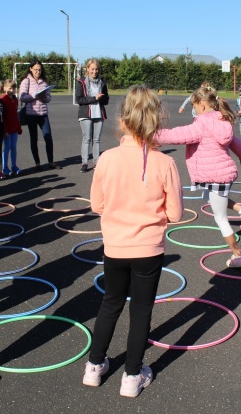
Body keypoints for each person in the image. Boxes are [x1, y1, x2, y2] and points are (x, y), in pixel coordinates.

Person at [83, 85, 184, 398]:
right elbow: (176, 214)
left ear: (122, 121)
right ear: (156, 123)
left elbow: (97, 205)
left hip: (115, 246)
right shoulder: (164, 163)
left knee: (110, 303)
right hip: (148, 250)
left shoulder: (107, 158)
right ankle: (131, 376)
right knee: (141, 310)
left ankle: (94, 367)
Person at [155, 86, 241, 267]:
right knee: (208, 197)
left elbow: (178, 135)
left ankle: (238, 255)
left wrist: (152, 135)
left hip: (215, 176)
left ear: (201, 105)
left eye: (194, 106)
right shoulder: (222, 120)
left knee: (220, 218)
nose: (194, 110)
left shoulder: (201, 124)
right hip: (221, 174)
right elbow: (235, 142)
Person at [20, 60, 60, 170]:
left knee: (48, 137)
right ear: (31, 69)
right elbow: (22, 97)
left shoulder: (44, 81)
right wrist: (35, 95)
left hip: (43, 114)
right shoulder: (26, 81)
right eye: (36, 69)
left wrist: (44, 97)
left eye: (40, 70)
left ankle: (51, 162)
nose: (38, 72)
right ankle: (37, 163)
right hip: (31, 114)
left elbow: (48, 98)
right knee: (34, 138)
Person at [76, 58, 109, 172]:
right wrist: (94, 98)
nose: (94, 71)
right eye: (92, 69)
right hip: (86, 113)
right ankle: (84, 163)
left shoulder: (102, 82)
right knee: (87, 138)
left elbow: (106, 100)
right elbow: (79, 99)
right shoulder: (82, 82)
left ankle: (96, 162)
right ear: (87, 69)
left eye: (96, 69)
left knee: (97, 139)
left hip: (99, 113)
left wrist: (102, 98)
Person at [0, 79, 23, 176]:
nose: (12, 90)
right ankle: (4, 167)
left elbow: (16, 115)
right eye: (10, 88)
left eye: (13, 88)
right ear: (4, 88)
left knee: (13, 147)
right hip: (7, 128)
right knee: (7, 147)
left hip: (14, 127)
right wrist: (4, 129)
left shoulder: (15, 99)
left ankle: (14, 165)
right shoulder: (3, 100)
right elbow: (2, 116)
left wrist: (19, 127)